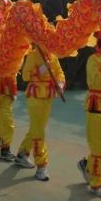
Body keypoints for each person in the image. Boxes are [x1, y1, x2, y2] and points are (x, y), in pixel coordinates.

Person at [14, 44, 65, 181]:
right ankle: (41, 165)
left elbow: (59, 72)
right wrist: (41, 69)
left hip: (48, 97)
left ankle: (22, 153)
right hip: (35, 96)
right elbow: (25, 76)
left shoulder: (53, 56)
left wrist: (60, 83)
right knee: (39, 132)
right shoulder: (32, 55)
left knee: (37, 128)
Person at [77, 32, 101, 197]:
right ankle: (96, 181)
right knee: (98, 146)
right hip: (96, 107)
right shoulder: (93, 60)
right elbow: (93, 82)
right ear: (100, 43)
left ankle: (88, 166)